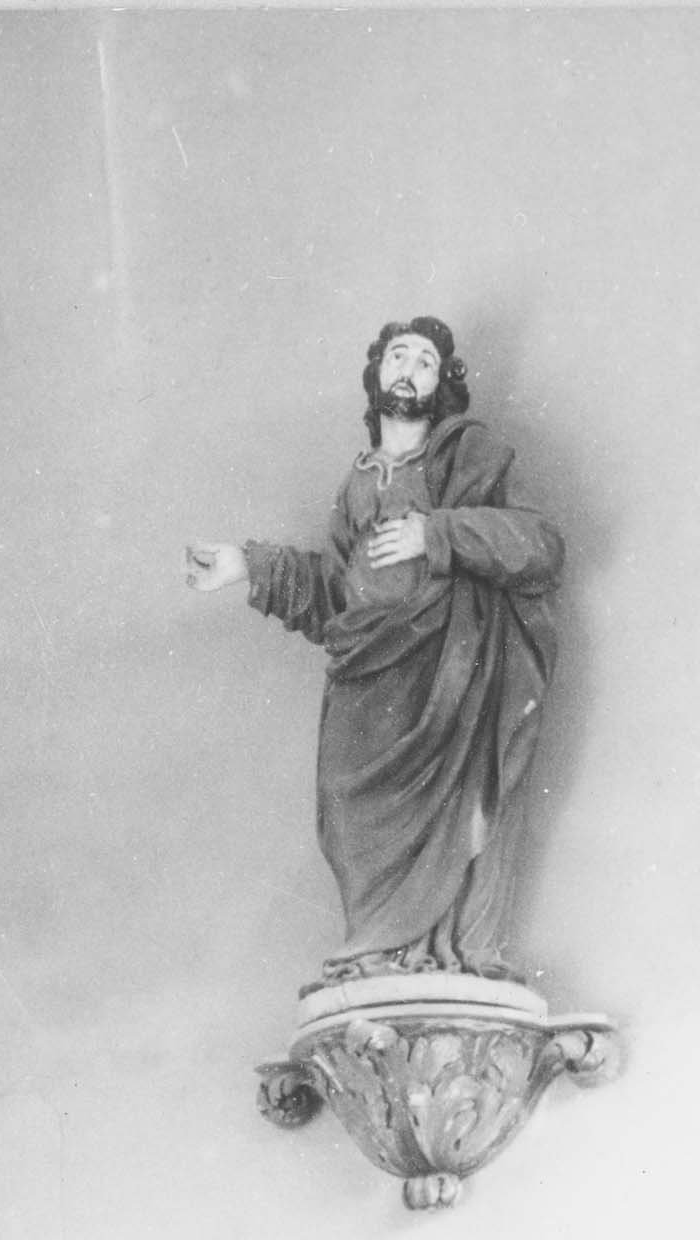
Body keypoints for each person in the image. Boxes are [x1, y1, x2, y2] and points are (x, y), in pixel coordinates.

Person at [186, 317, 563, 991]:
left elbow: (540, 545)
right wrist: (249, 565)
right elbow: (335, 594)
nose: (409, 369)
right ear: (377, 373)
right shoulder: (356, 483)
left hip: (449, 678)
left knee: (451, 810)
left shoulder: (470, 456)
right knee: (345, 806)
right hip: (368, 673)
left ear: (441, 383)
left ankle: (431, 953)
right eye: (398, 356)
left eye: (424, 361)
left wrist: (436, 534)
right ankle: (379, 952)